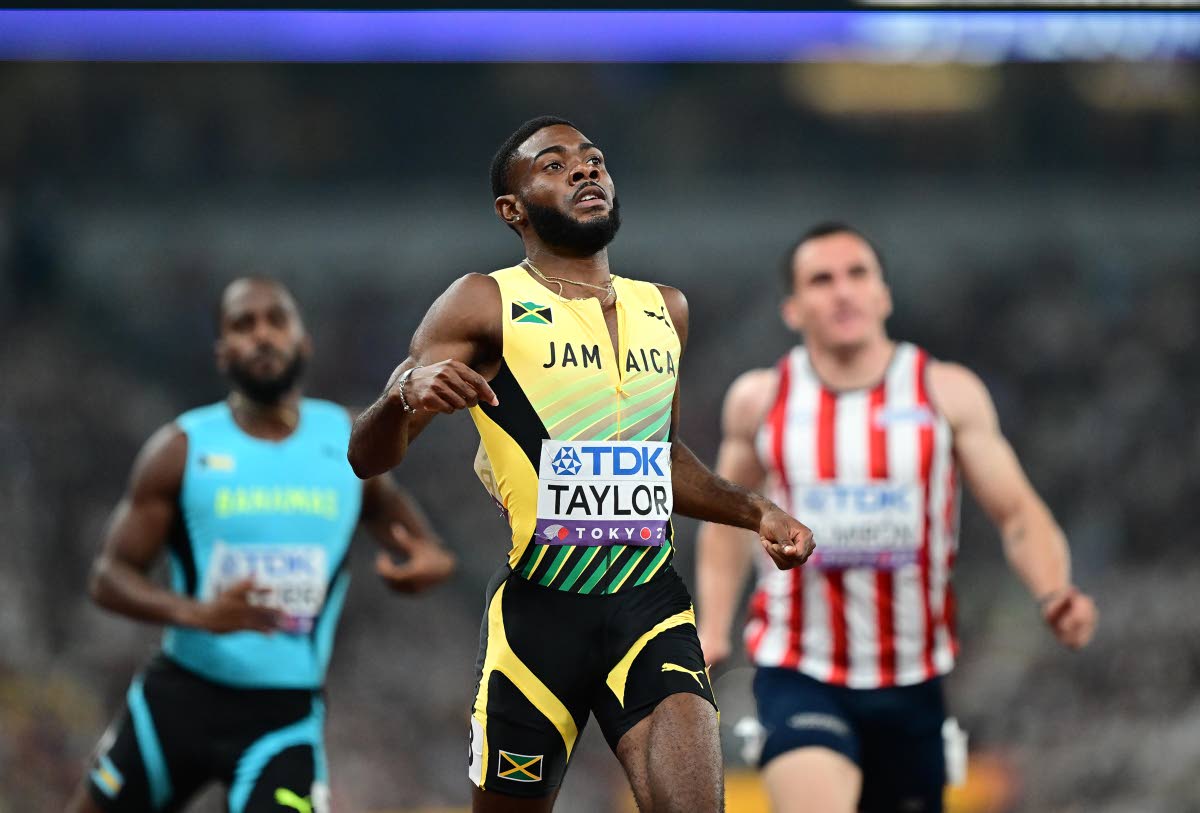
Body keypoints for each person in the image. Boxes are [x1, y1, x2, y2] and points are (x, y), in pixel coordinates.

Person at [347, 115, 816, 813]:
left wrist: (756, 509)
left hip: (649, 603)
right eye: (555, 164)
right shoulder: (484, 300)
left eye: (594, 160)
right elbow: (368, 455)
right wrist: (400, 395)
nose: (585, 170)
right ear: (513, 209)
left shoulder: (666, 309)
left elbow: (659, 457)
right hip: (540, 617)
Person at [694, 222, 1099, 813]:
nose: (842, 292)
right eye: (821, 279)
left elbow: (1016, 513)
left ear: (883, 294)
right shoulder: (762, 400)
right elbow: (724, 518)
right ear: (792, 307)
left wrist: (1053, 589)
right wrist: (713, 625)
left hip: (913, 680)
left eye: (857, 275)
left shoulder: (946, 393)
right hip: (800, 669)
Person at [68, 277, 457, 813]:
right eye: (243, 325)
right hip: (179, 699)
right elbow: (108, 577)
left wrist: (429, 558)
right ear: (223, 351)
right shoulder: (181, 447)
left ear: (304, 340)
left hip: (283, 718)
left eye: (276, 320)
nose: (262, 335)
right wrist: (200, 614)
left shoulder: (346, 438)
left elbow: (412, 533)